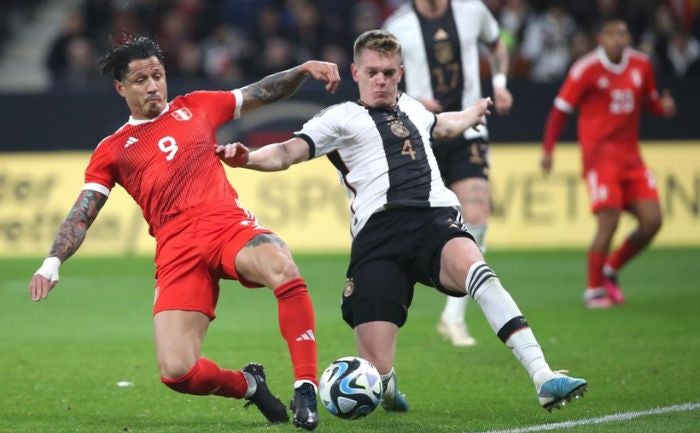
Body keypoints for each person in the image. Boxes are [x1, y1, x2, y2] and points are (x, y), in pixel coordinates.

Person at [217, 29, 587, 413]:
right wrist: (248, 158)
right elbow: (286, 153)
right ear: (355, 72)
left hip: (432, 220)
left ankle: (543, 375)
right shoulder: (339, 118)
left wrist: (472, 114)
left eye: (389, 73)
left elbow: (441, 125)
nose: (381, 80)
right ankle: (389, 388)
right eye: (373, 72)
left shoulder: (413, 108)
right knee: (374, 374)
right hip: (377, 239)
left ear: (400, 72)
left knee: (477, 269)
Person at [28, 35, 342, 431]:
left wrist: (302, 70)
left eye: (158, 75)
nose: (153, 86)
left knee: (281, 265)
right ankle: (249, 385)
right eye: (141, 80)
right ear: (121, 88)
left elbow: (261, 91)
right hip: (176, 248)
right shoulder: (113, 149)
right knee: (177, 371)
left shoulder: (196, 106)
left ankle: (305, 386)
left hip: (224, 224)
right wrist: (53, 261)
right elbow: (82, 213)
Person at [384, 0, 514, 347]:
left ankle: (452, 318)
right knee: (409, 220)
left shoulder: (472, 10)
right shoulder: (399, 25)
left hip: (469, 127)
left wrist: (499, 84)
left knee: (476, 212)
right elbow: (379, 79)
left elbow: (498, 44)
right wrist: (410, 100)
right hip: (421, 132)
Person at [541, 17, 676, 308]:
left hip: (631, 158)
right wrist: (548, 149)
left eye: (623, 33)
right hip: (600, 159)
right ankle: (593, 291)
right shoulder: (586, 69)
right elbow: (560, 109)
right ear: (601, 38)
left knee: (653, 221)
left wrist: (661, 108)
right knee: (609, 221)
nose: (618, 38)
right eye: (612, 34)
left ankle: (611, 268)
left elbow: (649, 101)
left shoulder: (642, 64)